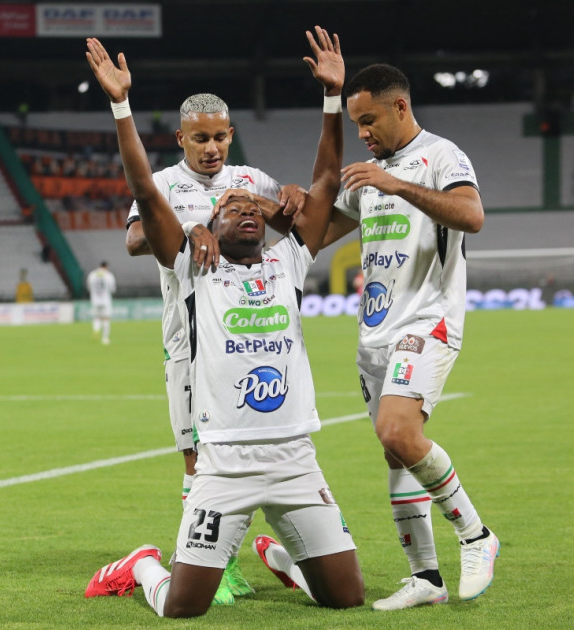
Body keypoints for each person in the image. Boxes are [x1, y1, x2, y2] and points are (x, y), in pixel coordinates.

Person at [83, 28, 364, 619]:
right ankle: (149, 565)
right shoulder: (192, 262)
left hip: (293, 456)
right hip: (221, 446)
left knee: (347, 598)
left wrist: (332, 98)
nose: (246, 209)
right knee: (186, 607)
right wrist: (121, 106)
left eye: (254, 208)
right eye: (231, 207)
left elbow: (325, 185)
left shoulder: (287, 257)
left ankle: (281, 556)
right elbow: (143, 202)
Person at [259, 62, 499, 611]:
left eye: (368, 120)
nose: (363, 133)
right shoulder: (366, 176)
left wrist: (397, 183)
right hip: (374, 332)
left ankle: (476, 535)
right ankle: (426, 579)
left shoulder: (442, 155)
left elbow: (472, 215)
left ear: (400, 107)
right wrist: (278, 206)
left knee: (397, 432)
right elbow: (311, 236)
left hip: (428, 320)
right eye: (356, 122)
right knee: (397, 455)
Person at [121, 34, 309, 610]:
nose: (211, 147)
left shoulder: (249, 179)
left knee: (252, 445)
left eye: (220, 136)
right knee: (197, 458)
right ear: (181, 139)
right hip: (189, 342)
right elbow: (134, 240)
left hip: (251, 340)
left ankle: (224, 557)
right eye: (199, 138)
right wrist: (198, 221)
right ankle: (200, 563)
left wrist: (293, 199)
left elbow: (293, 218)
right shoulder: (166, 185)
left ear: (231, 134)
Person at [86, 261, 116, 345]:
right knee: (106, 319)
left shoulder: (92, 275)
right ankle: (105, 338)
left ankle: (96, 330)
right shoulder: (108, 275)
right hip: (105, 301)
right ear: (106, 267)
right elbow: (113, 289)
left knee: (97, 318)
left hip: (95, 300)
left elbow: (88, 287)